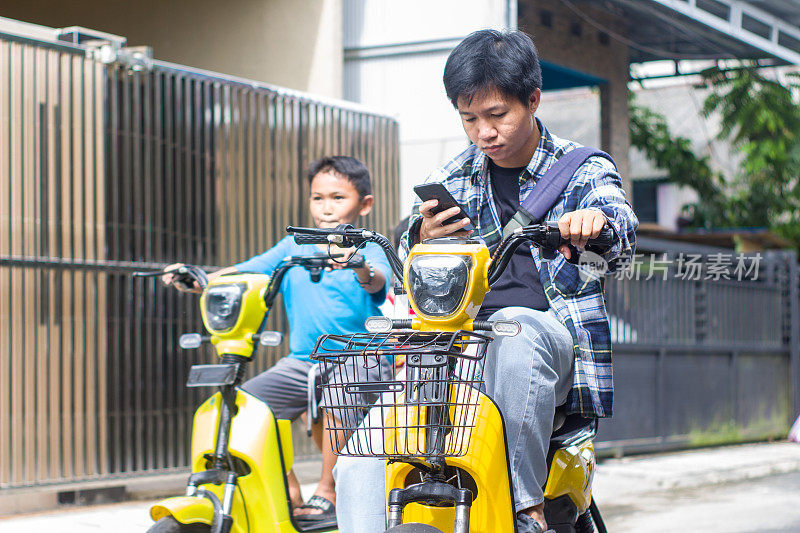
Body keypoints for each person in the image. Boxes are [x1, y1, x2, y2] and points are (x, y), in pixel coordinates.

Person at [333, 30, 637, 533]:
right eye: (469, 119)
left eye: (497, 115)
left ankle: (524, 510)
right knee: (360, 458)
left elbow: (620, 227)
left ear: (533, 100)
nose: (484, 132)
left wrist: (596, 224)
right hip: (455, 348)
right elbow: (408, 258)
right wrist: (420, 235)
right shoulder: (454, 177)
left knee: (514, 327)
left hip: (544, 341)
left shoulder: (581, 170)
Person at [163, 156, 392, 525]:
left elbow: (377, 279)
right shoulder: (292, 247)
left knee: (338, 392)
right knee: (243, 405)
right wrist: (199, 278)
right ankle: (285, 488)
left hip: (362, 357)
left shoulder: (368, 246)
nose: (327, 207)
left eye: (338, 197)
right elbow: (244, 269)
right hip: (304, 361)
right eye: (318, 198)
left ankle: (328, 491)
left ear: (364, 205)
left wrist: (356, 263)